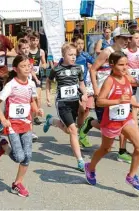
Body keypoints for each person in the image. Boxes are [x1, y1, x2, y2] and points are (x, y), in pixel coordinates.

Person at [85, 51, 139, 192]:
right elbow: (99, 101)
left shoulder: (126, 77)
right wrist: (117, 101)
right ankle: (90, 167)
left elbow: (127, 96)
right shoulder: (109, 81)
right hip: (111, 121)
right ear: (112, 65)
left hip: (126, 118)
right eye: (121, 65)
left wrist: (134, 104)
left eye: (126, 64)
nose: (125, 68)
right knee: (105, 149)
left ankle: (131, 176)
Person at [80, 27, 134, 163]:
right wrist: (96, 89)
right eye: (124, 38)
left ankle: (122, 151)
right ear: (115, 38)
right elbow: (93, 69)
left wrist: (135, 81)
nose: (127, 41)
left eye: (128, 38)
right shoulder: (107, 51)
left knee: (123, 120)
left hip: (118, 92)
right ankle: (90, 123)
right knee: (107, 124)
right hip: (105, 92)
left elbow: (125, 73)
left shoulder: (123, 53)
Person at [0, 55, 43, 197]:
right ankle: (3, 145)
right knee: (19, 156)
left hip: (26, 124)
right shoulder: (11, 85)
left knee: (27, 156)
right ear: (15, 69)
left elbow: (31, 101)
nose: (27, 68)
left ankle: (17, 184)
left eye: (29, 66)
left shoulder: (31, 84)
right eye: (23, 66)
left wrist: (37, 110)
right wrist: (3, 119)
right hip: (12, 125)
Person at [43, 43, 87, 171]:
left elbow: (81, 84)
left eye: (75, 55)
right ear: (63, 55)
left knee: (68, 130)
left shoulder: (78, 68)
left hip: (74, 103)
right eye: (70, 55)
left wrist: (84, 94)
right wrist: (47, 96)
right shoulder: (56, 69)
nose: (73, 57)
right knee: (73, 130)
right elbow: (48, 81)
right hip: (62, 103)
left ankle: (51, 121)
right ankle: (80, 161)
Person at [122, 30, 139, 140]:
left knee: (135, 108)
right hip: (125, 84)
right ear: (130, 39)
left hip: (135, 84)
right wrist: (129, 78)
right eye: (136, 38)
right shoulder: (124, 52)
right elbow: (123, 68)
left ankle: (135, 131)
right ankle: (132, 132)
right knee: (129, 108)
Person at [75, 36, 95, 147]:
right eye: (78, 43)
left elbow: (96, 64)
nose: (80, 46)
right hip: (74, 86)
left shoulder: (86, 55)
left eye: (82, 43)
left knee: (86, 110)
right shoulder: (71, 56)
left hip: (85, 85)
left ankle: (81, 132)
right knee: (81, 110)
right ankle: (79, 133)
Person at [28, 31, 47, 125]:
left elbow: (44, 63)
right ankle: (30, 114)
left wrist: (43, 66)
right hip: (27, 77)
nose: (35, 42)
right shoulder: (27, 51)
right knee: (30, 97)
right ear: (30, 41)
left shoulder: (41, 51)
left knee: (38, 97)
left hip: (38, 76)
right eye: (33, 40)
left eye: (37, 40)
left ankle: (36, 115)